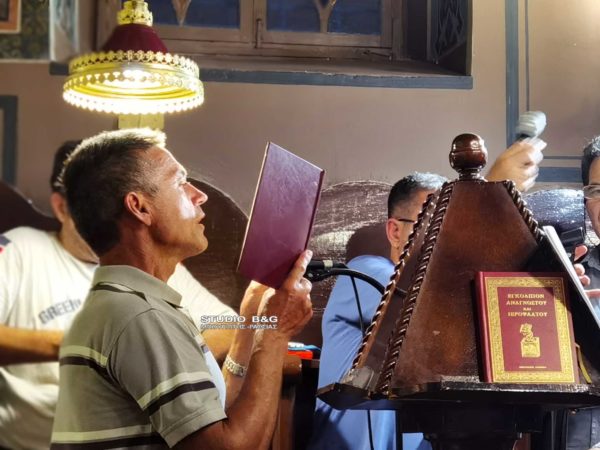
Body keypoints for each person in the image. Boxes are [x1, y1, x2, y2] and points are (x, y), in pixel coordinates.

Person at [50, 128, 313, 449]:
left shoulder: (133, 304)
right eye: (180, 182)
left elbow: (216, 417)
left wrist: (251, 319)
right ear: (140, 207)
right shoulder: (140, 317)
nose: (200, 195)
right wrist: (275, 335)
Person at [310, 137, 547, 450]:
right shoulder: (364, 273)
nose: (444, 238)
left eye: (448, 227)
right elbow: (422, 298)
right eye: (433, 224)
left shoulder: (459, 309)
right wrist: (486, 199)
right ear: (395, 231)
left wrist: (546, 290)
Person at [0, 141, 237, 450]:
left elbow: (229, 326)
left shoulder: (160, 265)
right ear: (61, 207)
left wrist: (173, 354)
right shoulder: (22, 249)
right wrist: (84, 349)